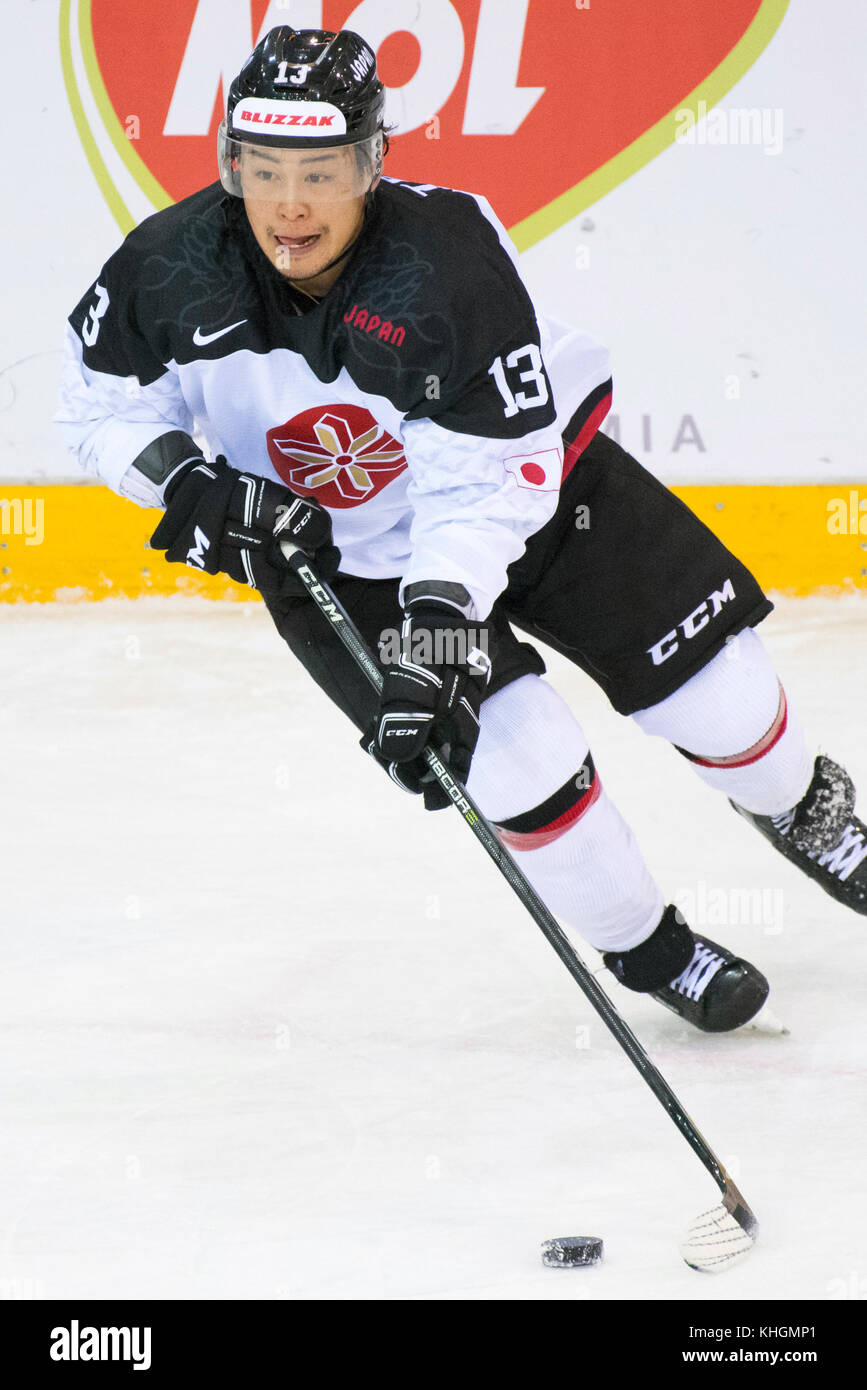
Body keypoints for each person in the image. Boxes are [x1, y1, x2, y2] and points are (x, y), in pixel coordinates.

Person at [57, 26, 867, 1034]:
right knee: (519, 763)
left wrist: (433, 635)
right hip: (340, 561)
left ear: (373, 164)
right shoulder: (167, 268)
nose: (291, 204)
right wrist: (191, 483)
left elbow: (481, 492)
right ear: (230, 163)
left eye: (323, 170)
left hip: (534, 503)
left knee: (725, 701)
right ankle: (652, 947)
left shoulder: (441, 265)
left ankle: (803, 807)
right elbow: (98, 407)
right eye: (262, 169)